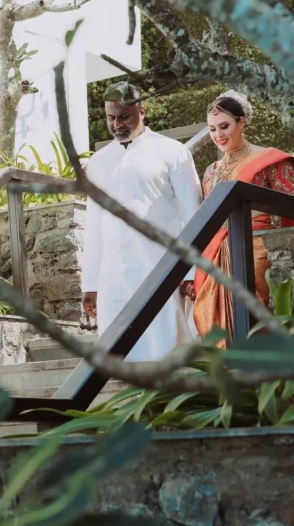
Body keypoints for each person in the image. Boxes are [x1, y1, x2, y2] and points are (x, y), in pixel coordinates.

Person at [81, 82, 203, 362]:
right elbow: (94, 223)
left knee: (168, 346)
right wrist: (90, 282)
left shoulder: (172, 151)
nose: (117, 124)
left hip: (161, 265)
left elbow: (192, 212)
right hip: (112, 271)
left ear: (142, 110)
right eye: (111, 117)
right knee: (117, 350)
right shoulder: (98, 162)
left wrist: (190, 273)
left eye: (124, 116)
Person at [193, 90, 294, 342]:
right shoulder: (210, 171)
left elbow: (293, 199)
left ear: (242, 122)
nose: (218, 135)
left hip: (257, 250)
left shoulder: (269, 160)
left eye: (224, 126)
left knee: (258, 314)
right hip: (216, 251)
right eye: (212, 129)